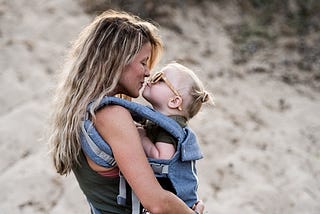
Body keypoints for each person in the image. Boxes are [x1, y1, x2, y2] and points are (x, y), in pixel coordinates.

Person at [49, 9, 204, 214]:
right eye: (143, 62)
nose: (148, 72)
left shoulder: (83, 111)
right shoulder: (111, 114)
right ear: (118, 61)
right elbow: (156, 202)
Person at [138, 62, 213, 160]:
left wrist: (142, 137)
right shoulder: (164, 120)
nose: (151, 79)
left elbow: (162, 157)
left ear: (174, 101)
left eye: (160, 79)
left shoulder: (169, 128)